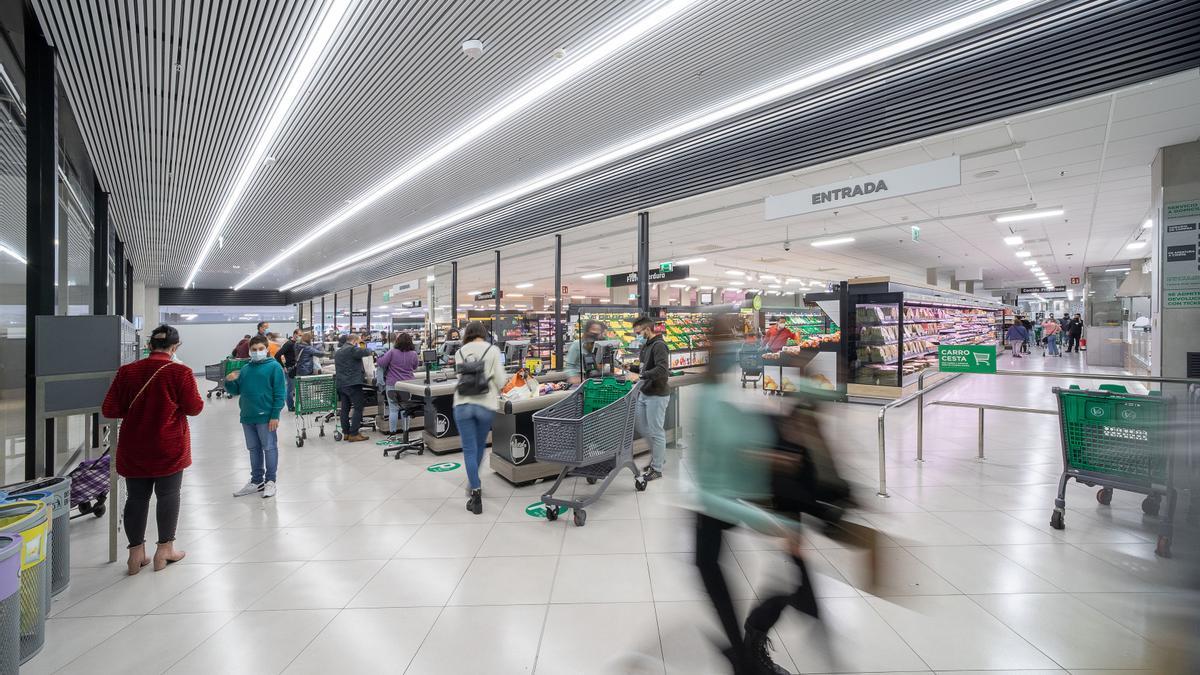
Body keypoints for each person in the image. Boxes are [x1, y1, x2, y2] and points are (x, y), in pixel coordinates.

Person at [691, 315, 805, 675]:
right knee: (719, 576)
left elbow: (745, 447)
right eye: (730, 338)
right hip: (723, 504)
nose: (736, 346)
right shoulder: (708, 398)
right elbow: (706, 484)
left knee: (723, 577)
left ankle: (745, 649)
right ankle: (747, 651)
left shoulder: (730, 388)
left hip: (742, 499)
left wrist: (770, 454)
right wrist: (771, 521)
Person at [101, 325, 202, 575]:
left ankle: (135, 555)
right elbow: (194, 408)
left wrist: (137, 411)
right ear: (175, 347)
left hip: (134, 446)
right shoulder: (181, 372)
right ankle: (165, 550)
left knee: (136, 498)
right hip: (169, 446)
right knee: (168, 495)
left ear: (148, 346)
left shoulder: (127, 372)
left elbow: (110, 410)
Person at [453, 321, 506, 515]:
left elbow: (458, 376)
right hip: (485, 404)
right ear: (484, 333)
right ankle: (473, 480)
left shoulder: (459, 352)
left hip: (462, 404)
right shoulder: (493, 350)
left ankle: (475, 491)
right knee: (480, 446)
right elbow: (500, 380)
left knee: (468, 448)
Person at [225, 336, 288, 499]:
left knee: (269, 448)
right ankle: (256, 481)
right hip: (247, 416)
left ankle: (270, 481)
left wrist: (275, 415)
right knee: (253, 449)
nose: (257, 352)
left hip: (266, 416)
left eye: (261, 349)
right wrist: (229, 381)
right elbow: (236, 391)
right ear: (249, 351)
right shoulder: (246, 368)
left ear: (267, 349)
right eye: (254, 350)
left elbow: (280, 393)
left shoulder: (274, 367)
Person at [627, 314, 671, 482]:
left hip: (657, 394)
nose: (637, 335)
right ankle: (658, 457)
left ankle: (657, 468)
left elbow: (662, 370)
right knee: (642, 427)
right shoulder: (646, 346)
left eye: (638, 332)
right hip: (644, 393)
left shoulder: (659, 345)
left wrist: (641, 376)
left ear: (647, 329)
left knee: (656, 431)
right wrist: (630, 367)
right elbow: (644, 366)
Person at [377, 332, 420, 435]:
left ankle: (392, 433)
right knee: (406, 408)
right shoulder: (413, 354)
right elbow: (415, 367)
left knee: (393, 409)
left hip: (392, 383)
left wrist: (378, 357)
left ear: (397, 341)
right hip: (407, 384)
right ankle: (406, 432)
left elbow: (381, 363)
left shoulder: (392, 352)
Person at [334, 334, 374, 441]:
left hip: (341, 384)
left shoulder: (338, 351)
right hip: (352, 384)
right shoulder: (352, 349)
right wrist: (362, 344)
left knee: (345, 409)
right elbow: (367, 351)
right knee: (358, 407)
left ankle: (346, 432)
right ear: (355, 341)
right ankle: (354, 433)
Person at [275, 329, 303, 412]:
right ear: (294, 334)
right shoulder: (289, 344)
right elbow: (277, 355)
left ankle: (296, 405)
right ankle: (290, 406)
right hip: (290, 369)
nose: (300, 337)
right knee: (290, 389)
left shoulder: (297, 344)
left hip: (296, 369)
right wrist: (283, 366)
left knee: (294, 388)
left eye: (302, 335)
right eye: (299, 335)